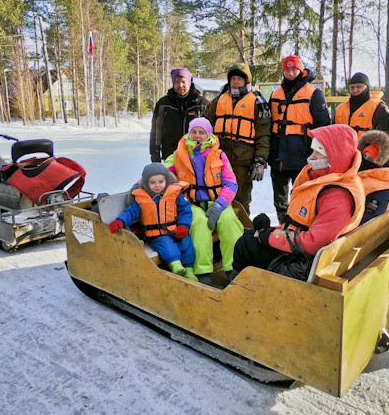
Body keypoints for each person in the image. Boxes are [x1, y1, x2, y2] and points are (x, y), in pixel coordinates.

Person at [232, 124, 365, 281]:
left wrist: (268, 236)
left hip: (304, 264)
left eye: (319, 153)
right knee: (250, 236)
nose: (312, 157)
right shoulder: (333, 180)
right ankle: (246, 286)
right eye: (313, 150)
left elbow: (312, 243)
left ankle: (242, 291)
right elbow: (303, 224)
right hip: (310, 255)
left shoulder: (337, 196)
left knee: (246, 244)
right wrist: (270, 230)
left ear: (335, 156)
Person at [165, 118, 244, 285]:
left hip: (218, 202)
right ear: (188, 133)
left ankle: (234, 268)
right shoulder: (178, 154)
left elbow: (231, 183)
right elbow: (160, 174)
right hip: (191, 204)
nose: (197, 136)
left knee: (229, 221)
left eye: (201, 132)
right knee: (199, 224)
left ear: (208, 134)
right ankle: (203, 271)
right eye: (194, 132)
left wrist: (219, 206)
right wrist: (141, 183)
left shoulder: (219, 154)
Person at [268, 55, 331, 223]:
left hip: (302, 154)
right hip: (278, 156)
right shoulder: (276, 93)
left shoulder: (313, 93)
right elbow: (268, 123)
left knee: (300, 196)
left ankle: (297, 226)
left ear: (300, 70)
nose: (290, 73)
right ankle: (282, 224)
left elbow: (323, 124)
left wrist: (318, 153)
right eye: (287, 70)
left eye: (293, 69)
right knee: (280, 199)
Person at [108, 163, 197, 281]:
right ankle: (176, 267)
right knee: (168, 247)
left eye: (161, 182)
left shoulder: (175, 194)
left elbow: (185, 210)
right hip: (156, 235)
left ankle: (189, 270)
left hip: (175, 230)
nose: (157, 186)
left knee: (187, 243)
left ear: (167, 180)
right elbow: (130, 213)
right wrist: (120, 222)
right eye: (152, 183)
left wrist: (183, 226)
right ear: (146, 183)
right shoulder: (141, 198)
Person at [205, 63, 271, 215]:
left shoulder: (258, 102)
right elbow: (205, 127)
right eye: (233, 78)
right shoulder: (218, 100)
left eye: (239, 79)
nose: (235, 82)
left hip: (243, 161)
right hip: (218, 159)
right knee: (216, 196)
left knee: (241, 200)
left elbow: (264, 135)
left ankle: (242, 232)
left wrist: (260, 160)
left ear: (246, 80)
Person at [150, 68, 209, 163]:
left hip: (195, 156)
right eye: (177, 82)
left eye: (183, 81)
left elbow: (210, 132)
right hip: (171, 154)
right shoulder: (163, 104)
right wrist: (155, 153)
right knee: (172, 178)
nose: (180, 85)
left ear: (189, 82)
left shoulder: (202, 104)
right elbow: (157, 130)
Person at [357, 130, 389, 224]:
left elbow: (368, 220)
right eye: (364, 156)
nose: (365, 161)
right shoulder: (356, 174)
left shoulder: (383, 189)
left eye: (370, 159)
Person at [334, 72, 389, 138]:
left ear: (366, 88)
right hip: (342, 147)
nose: (355, 90)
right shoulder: (340, 108)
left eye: (359, 87)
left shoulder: (379, 108)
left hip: (367, 147)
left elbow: (385, 136)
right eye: (352, 87)